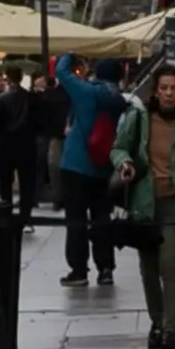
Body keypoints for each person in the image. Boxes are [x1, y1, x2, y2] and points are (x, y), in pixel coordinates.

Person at [111, 60, 175, 349]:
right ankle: (157, 323)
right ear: (155, 92)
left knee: (170, 263)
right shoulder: (140, 119)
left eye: (174, 89)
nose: (169, 94)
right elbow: (118, 147)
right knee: (149, 267)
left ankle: (171, 330)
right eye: (163, 88)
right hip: (145, 202)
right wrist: (125, 162)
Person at [53, 52, 127, 287]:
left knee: (76, 219)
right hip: (104, 166)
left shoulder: (86, 92)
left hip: (76, 164)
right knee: (101, 218)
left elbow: (61, 72)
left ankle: (78, 270)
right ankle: (106, 268)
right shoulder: (120, 100)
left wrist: (70, 53)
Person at [0, 64, 39, 219]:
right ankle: (26, 215)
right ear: (22, 77)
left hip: (6, 145)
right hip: (27, 145)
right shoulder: (32, 98)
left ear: (8, 78)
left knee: (5, 182)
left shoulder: (2, 99)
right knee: (27, 183)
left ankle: (6, 213)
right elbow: (40, 121)